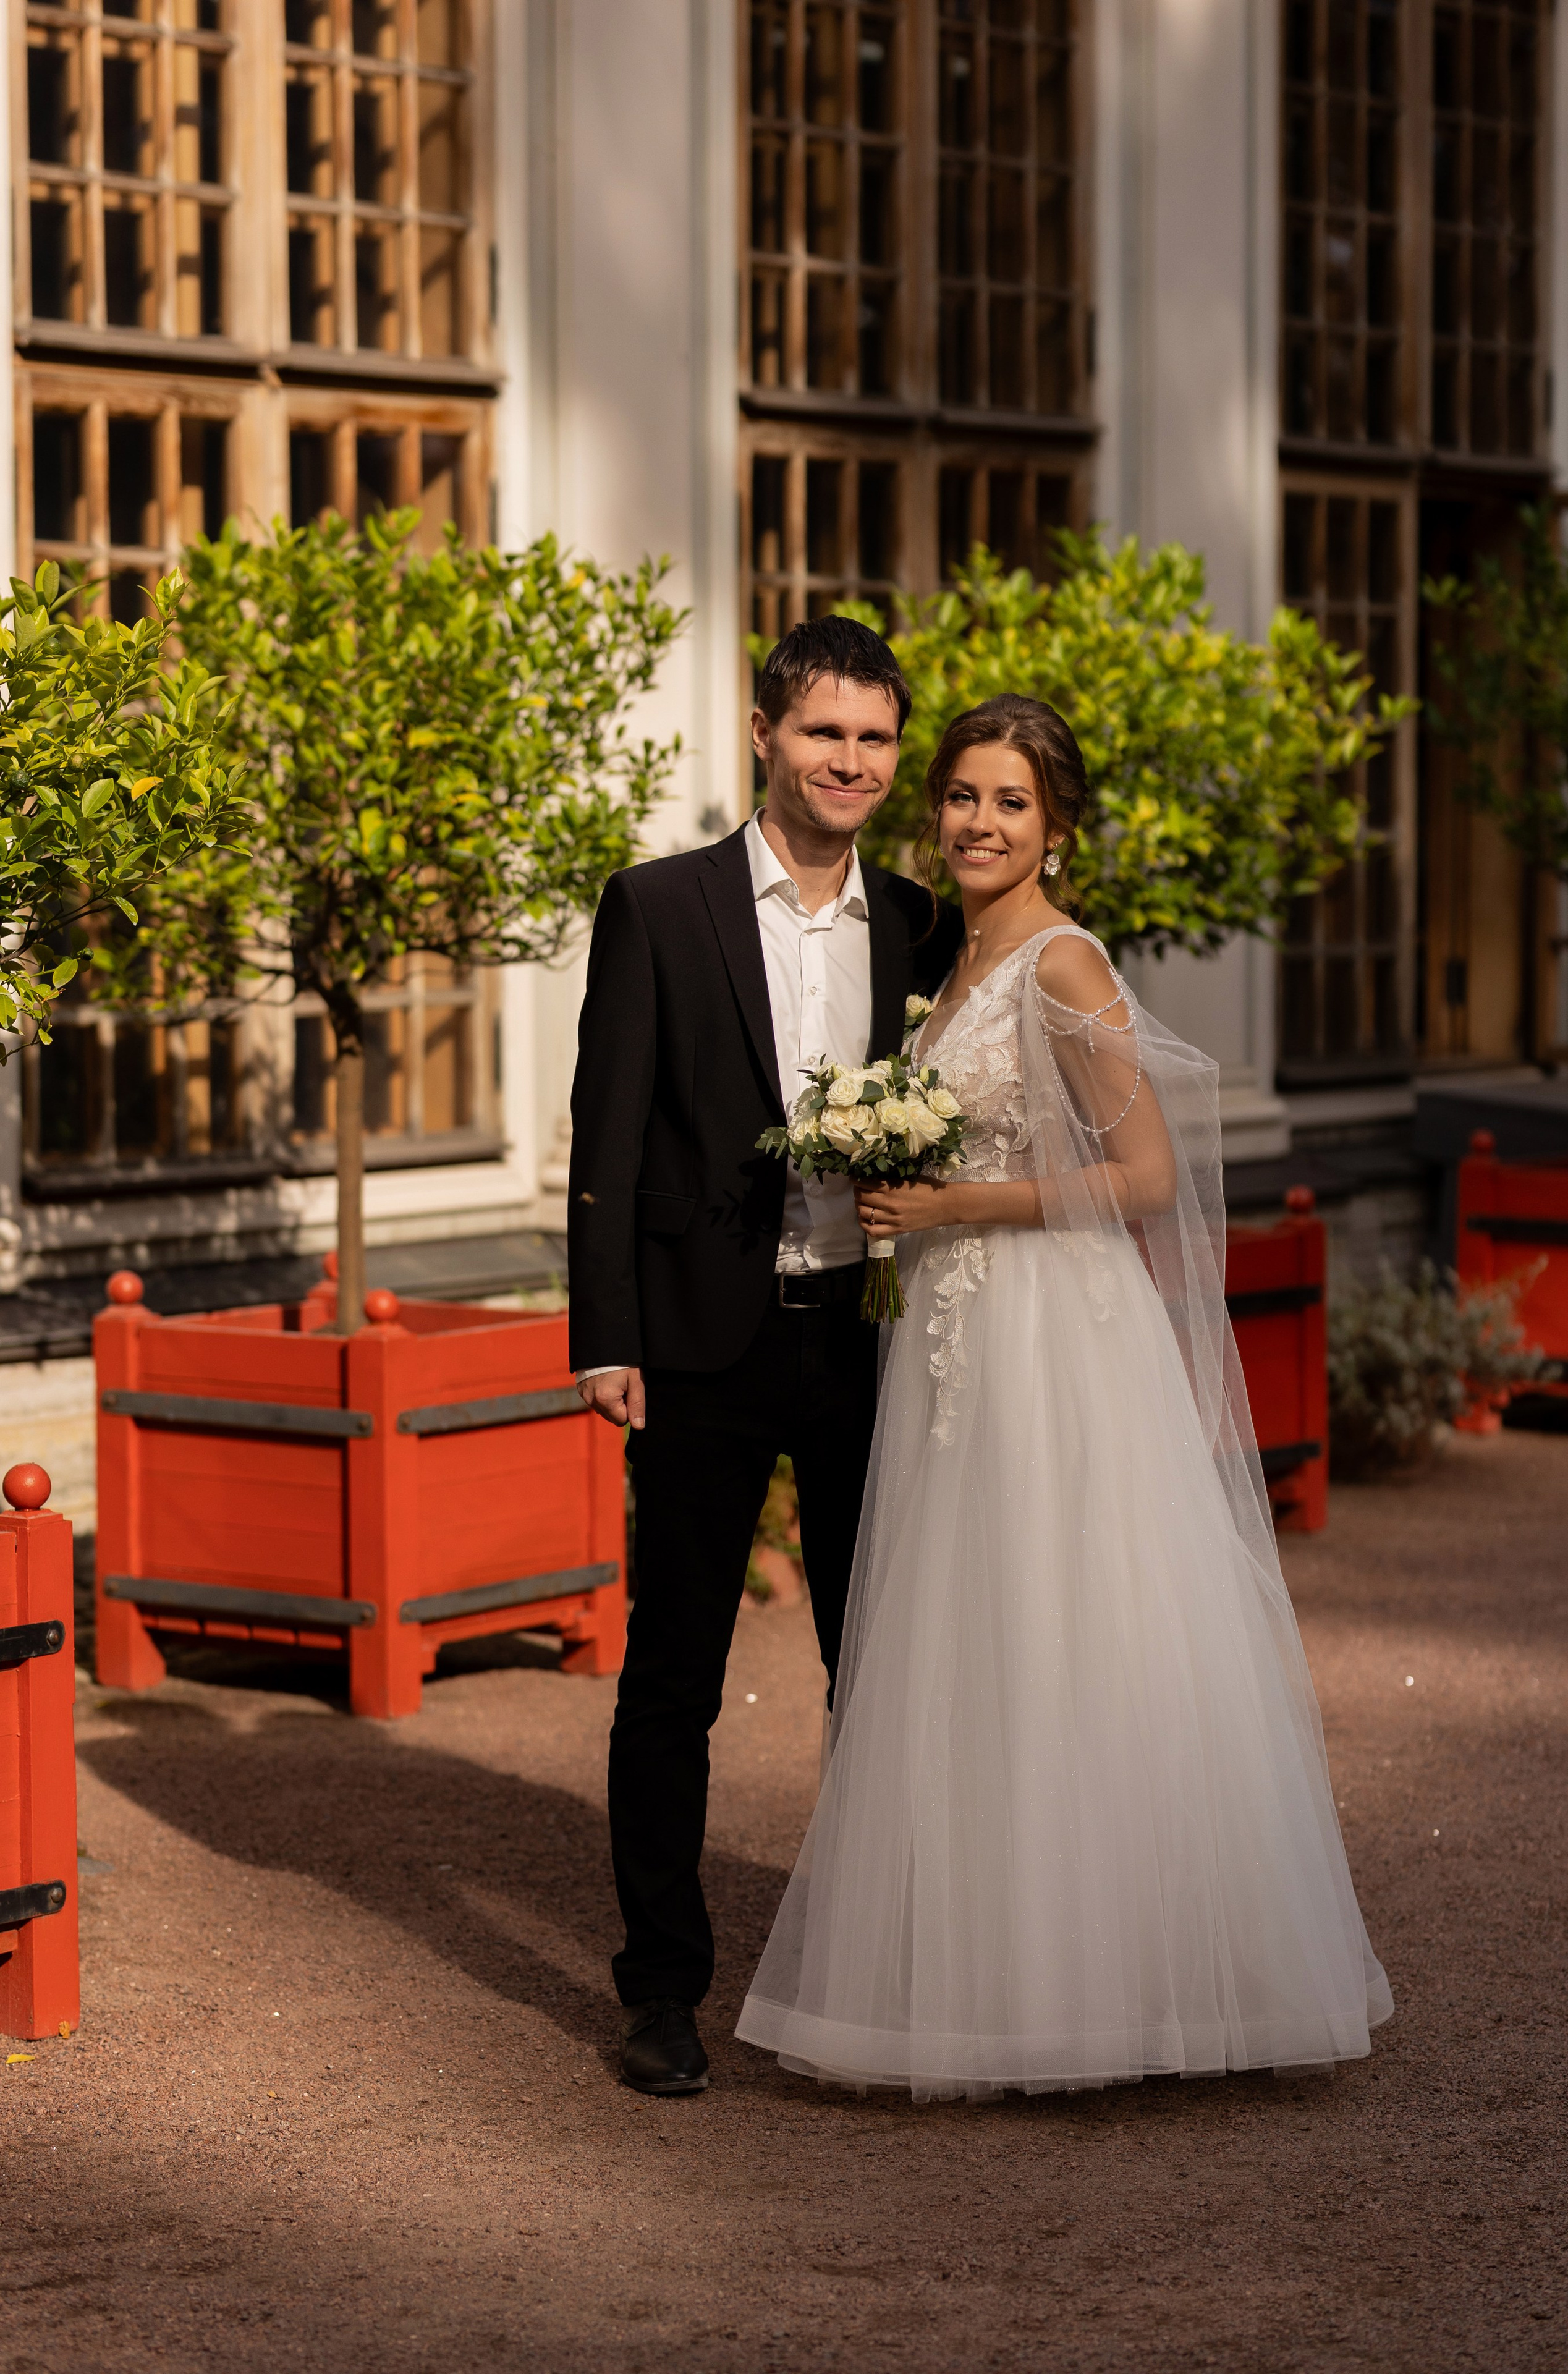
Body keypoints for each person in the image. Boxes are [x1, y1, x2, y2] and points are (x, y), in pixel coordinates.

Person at [737, 693, 1392, 2100]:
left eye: (1010, 803)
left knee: (1063, 1628)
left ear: (1056, 823)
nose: (980, 823)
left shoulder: (1062, 966)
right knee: (971, 1642)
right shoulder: (954, 957)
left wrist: (950, 1199)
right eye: (963, 797)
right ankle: (993, 1970)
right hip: (951, 1335)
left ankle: (1116, 1980)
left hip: (1048, 1336)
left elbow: (1147, 1178)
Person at [569, 615, 962, 2095]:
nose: (849, 762)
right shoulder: (656, 907)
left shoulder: (922, 922)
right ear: (761, 734)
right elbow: (603, 1133)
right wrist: (604, 1334)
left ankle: (884, 1974)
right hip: (697, 1345)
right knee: (672, 1676)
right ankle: (659, 1992)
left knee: (884, 1670)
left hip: (870, 1346)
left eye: (872, 740)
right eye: (822, 734)